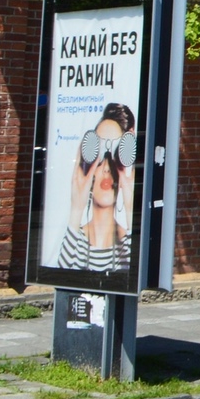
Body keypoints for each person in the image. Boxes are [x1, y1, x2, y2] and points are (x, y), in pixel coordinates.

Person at [59, 102, 136, 272]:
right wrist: (76, 210)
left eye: (116, 153)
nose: (107, 167)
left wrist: (131, 204)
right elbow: (62, 277)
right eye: (99, 156)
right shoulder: (74, 241)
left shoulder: (129, 245)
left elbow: (135, 272)